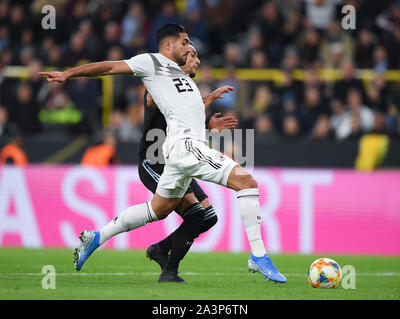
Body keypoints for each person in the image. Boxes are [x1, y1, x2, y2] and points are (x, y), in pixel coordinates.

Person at [40, 23, 287, 284]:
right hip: (182, 149)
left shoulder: (186, 82)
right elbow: (110, 67)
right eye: (185, 42)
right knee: (246, 182)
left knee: (157, 210)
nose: (191, 49)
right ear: (168, 44)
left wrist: (208, 113)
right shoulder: (152, 63)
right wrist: (69, 74)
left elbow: (185, 116)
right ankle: (258, 255)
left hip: (178, 151)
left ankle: (98, 236)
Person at [140, 44, 238, 279]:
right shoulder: (161, 85)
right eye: (192, 56)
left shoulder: (188, 91)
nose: (197, 61)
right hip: (155, 161)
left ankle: (161, 249)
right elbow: (154, 101)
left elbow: (186, 127)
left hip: (180, 159)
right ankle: (169, 270)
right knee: (195, 214)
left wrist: (208, 124)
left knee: (208, 217)